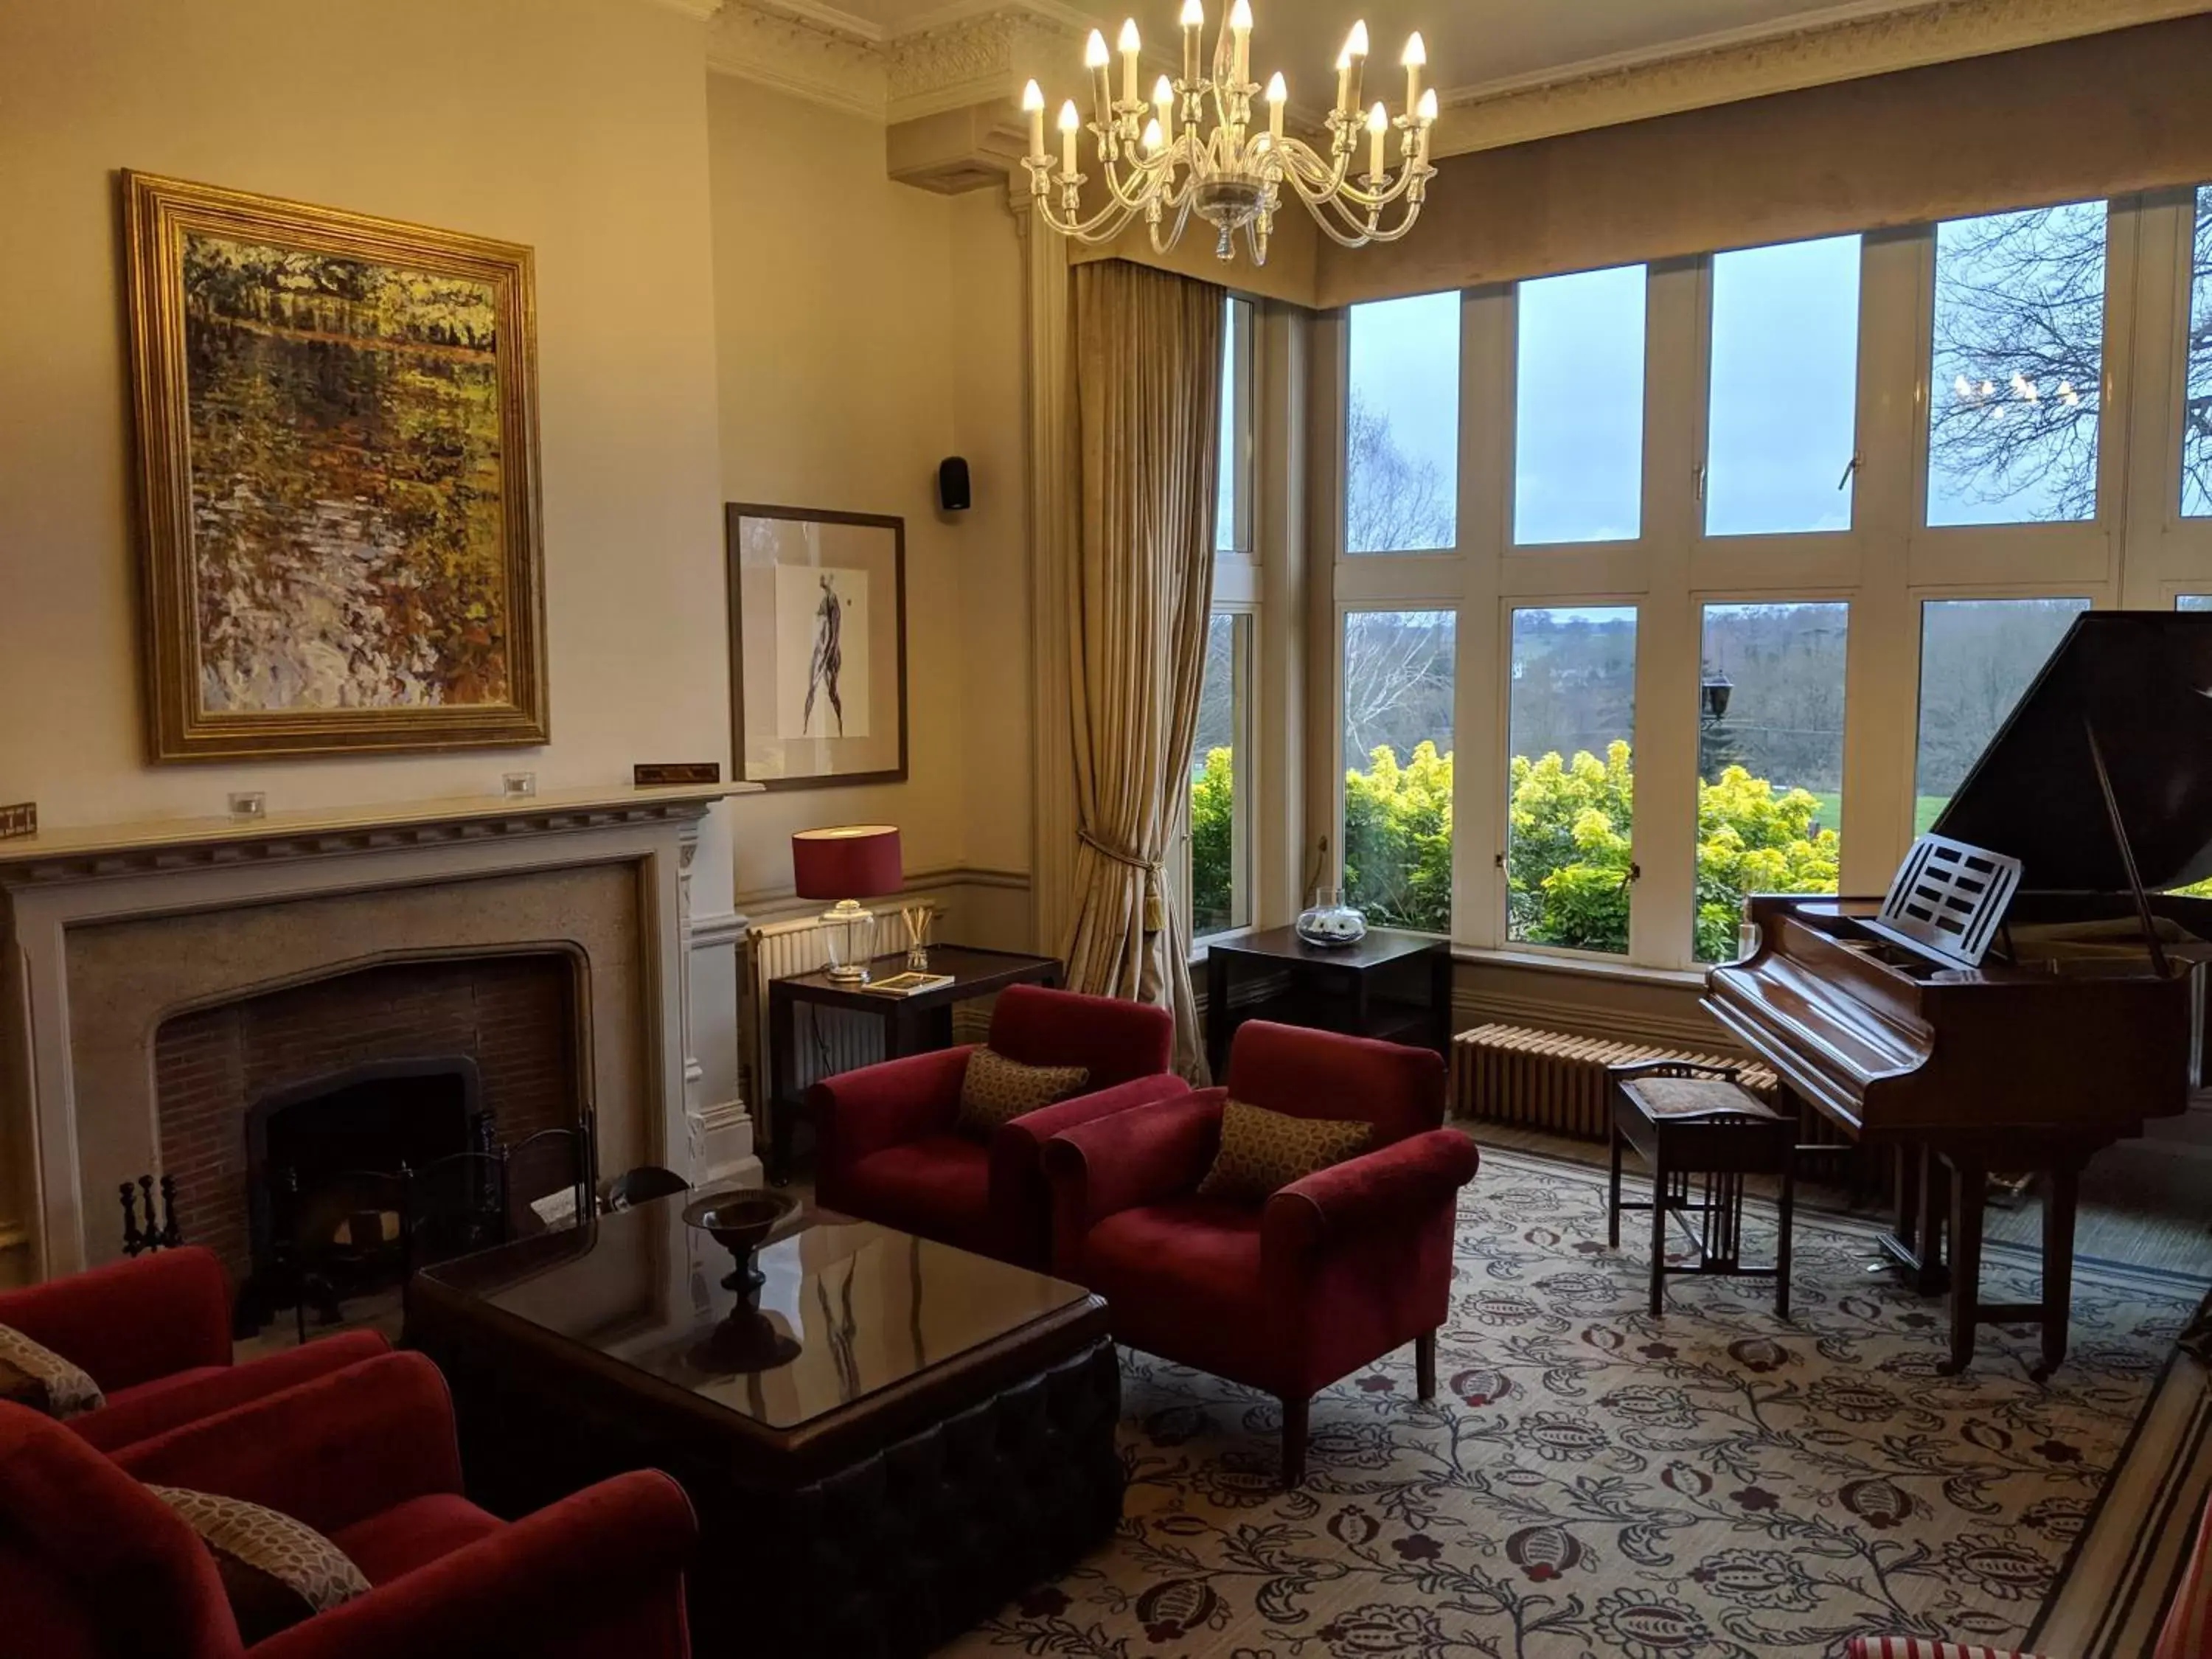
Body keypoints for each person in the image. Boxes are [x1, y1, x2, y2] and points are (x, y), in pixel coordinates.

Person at [802, 572, 844, 738]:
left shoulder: (833, 603)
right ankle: (804, 727)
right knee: (811, 689)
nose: (822, 578)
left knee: (832, 692)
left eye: (825, 577)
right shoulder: (821, 599)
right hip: (819, 652)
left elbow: (834, 637)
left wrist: (826, 659)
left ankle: (840, 724)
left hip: (829, 655)